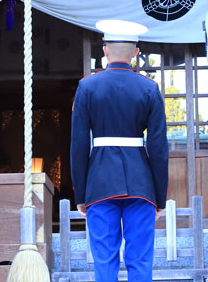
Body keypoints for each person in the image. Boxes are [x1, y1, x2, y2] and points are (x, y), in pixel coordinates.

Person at [70, 19, 169, 282]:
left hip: (100, 183)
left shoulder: (87, 87)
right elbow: (159, 148)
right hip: (141, 184)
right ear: (135, 52)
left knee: (104, 261)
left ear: (105, 50)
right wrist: (160, 197)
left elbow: (79, 144)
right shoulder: (149, 88)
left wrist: (81, 193)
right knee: (140, 261)